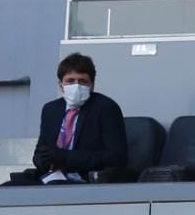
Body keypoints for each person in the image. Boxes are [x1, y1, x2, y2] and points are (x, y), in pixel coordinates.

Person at [15, 53, 127, 184]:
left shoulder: (106, 108)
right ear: (61, 85)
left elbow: (117, 157)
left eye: (83, 81)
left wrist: (65, 157)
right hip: (51, 176)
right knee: (7, 188)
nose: (77, 86)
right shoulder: (51, 109)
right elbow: (40, 151)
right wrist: (44, 160)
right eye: (70, 81)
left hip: (84, 179)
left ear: (92, 84)